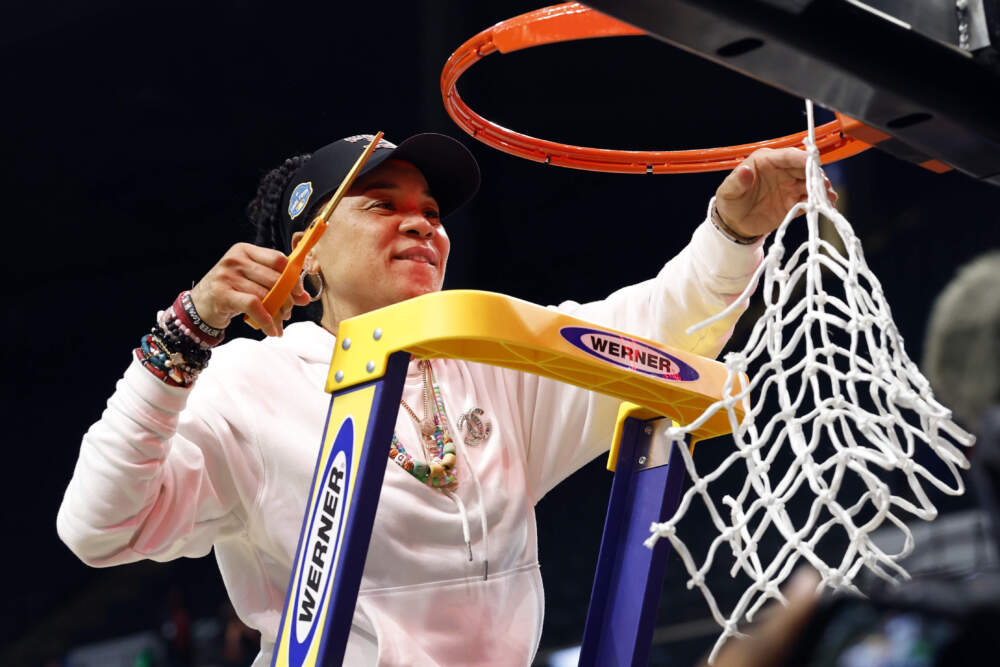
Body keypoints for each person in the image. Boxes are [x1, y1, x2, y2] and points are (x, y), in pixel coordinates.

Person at [56, 131, 836, 666]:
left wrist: (734, 232)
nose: (421, 223)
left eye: (431, 211)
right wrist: (185, 332)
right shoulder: (250, 384)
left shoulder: (489, 355)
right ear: (306, 257)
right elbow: (98, 526)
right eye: (381, 204)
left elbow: (661, 329)